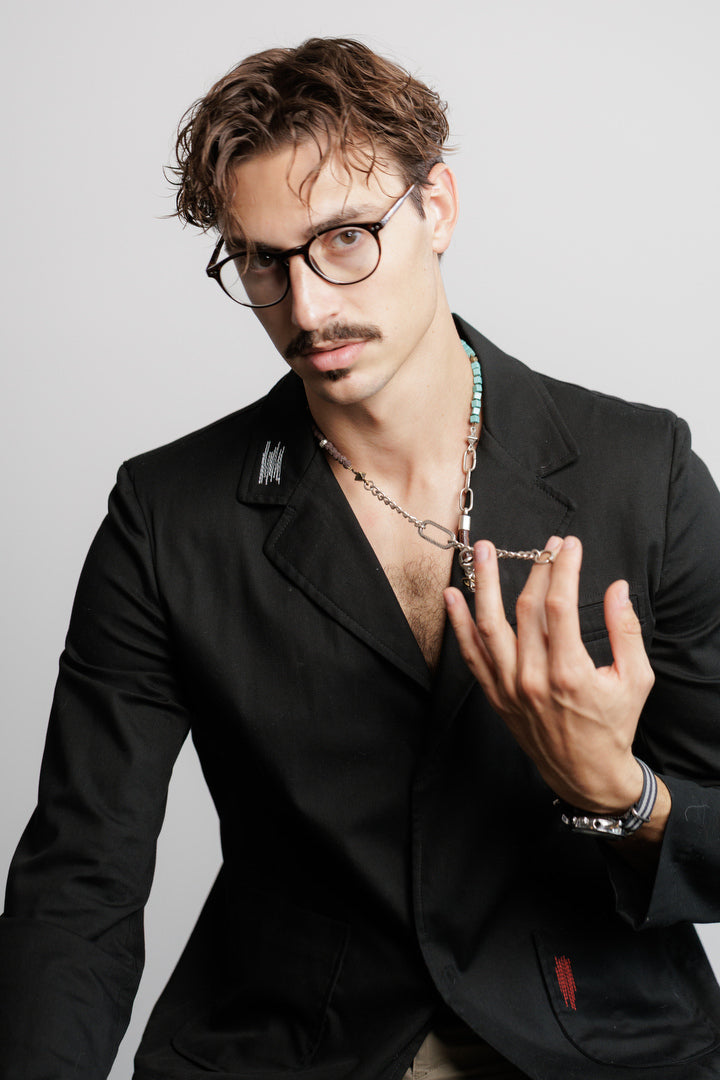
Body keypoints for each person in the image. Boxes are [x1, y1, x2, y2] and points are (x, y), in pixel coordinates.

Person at [2, 35, 720, 1080]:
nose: (307, 307)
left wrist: (621, 793)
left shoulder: (642, 472)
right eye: (262, 260)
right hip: (296, 1049)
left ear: (438, 208)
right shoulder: (165, 517)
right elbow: (82, 875)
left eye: (346, 238)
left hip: (599, 1041)